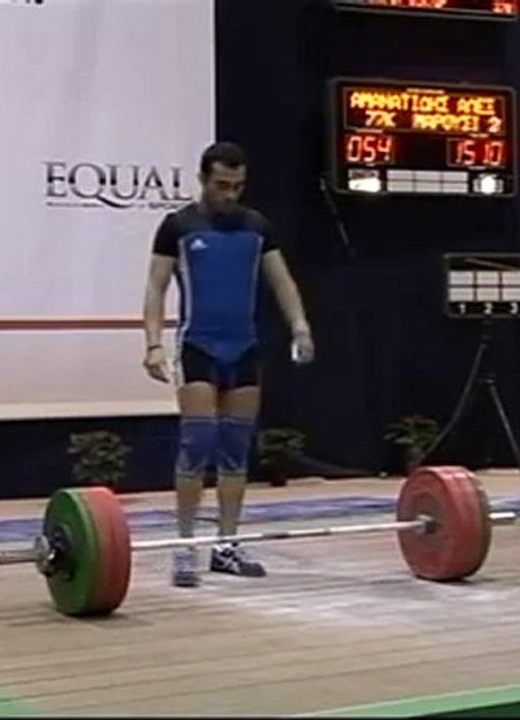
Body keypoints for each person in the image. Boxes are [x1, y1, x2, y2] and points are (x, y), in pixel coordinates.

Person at [141, 141, 315, 587]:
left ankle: (226, 546)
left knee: (235, 454)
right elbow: (156, 288)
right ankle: (184, 549)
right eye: (221, 185)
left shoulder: (257, 227)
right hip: (199, 347)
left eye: (237, 186)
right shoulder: (177, 226)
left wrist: (300, 327)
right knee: (197, 447)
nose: (230, 194)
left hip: (243, 350)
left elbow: (283, 281)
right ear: (202, 179)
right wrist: (153, 345)